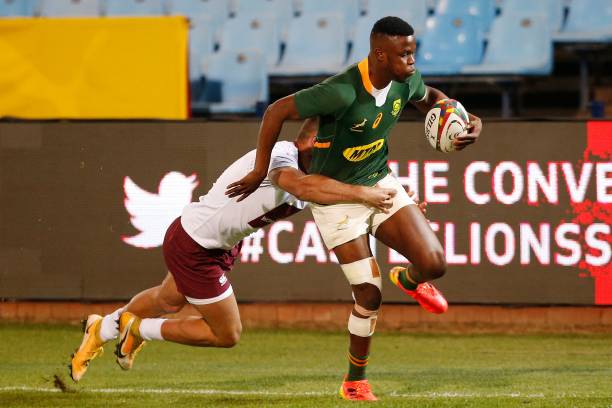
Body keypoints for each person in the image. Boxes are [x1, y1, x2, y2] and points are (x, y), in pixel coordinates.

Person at [226, 16, 483, 401]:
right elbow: (276, 111)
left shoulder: (403, 80)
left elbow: (431, 97)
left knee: (435, 264)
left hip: (379, 181)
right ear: (380, 54)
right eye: (404, 53)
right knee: (369, 294)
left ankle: (409, 280)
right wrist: (261, 169)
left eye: (413, 51)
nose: (412, 60)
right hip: (336, 197)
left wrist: (464, 119)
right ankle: (354, 381)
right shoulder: (341, 91)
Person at [69, 117, 419, 383]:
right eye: (332, 145)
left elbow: (346, 194)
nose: (338, 153)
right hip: (196, 245)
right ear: (312, 141)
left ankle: (101, 329)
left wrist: (399, 204)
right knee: (226, 334)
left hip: (211, 241)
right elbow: (296, 185)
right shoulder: (281, 156)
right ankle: (137, 329)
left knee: (168, 300)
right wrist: (364, 195)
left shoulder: (319, 171)